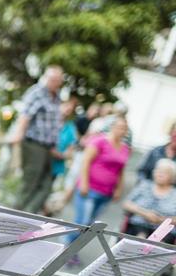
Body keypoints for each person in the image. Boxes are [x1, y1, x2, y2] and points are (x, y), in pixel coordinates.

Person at [67, 116, 131, 251]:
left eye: (125, 128)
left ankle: (72, 248)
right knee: (82, 222)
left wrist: (119, 189)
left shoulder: (125, 148)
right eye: (120, 127)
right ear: (112, 127)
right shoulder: (99, 141)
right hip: (89, 189)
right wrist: (84, 183)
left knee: (90, 225)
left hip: (106, 192)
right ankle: (67, 246)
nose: (122, 130)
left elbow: (121, 171)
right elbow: (86, 162)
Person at [12, 65, 64, 214]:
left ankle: (28, 214)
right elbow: (25, 115)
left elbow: (54, 123)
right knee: (30, 182)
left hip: (49, 147)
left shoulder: (57, 96)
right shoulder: (37, 92)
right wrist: (18, 134)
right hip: (34, 144)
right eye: (53, 79)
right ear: (46, 78)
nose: (56, 82)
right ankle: (14, 216)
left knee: (47, 184)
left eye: (58, 80)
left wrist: (54, 145)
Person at [122, 158, 176, 242]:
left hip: (164, 230)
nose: (160, 174)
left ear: (172, 176)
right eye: (158, 170)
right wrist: (145, 213)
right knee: (139, 236)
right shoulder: (144, 185)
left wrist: (161, 220)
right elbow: (126, 204)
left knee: (160, 241)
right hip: (138, 225)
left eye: (165, 172)